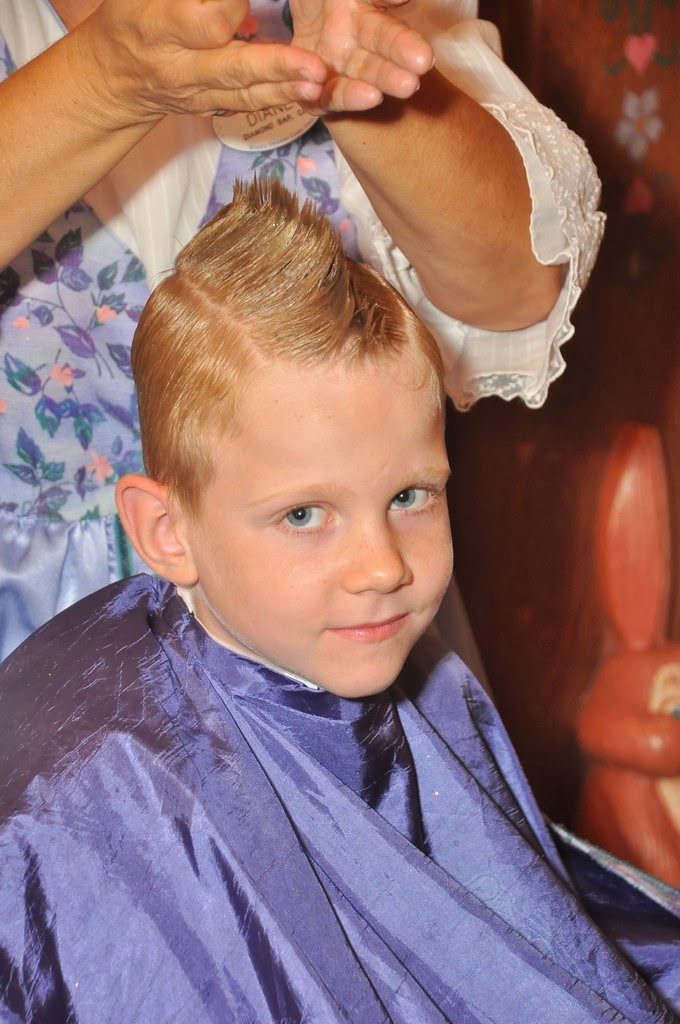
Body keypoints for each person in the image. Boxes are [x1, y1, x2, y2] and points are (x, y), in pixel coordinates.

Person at [0, 179, 677, 1024]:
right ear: (167, 532)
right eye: (304, 515)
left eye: (410, 496)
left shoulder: (429, 684)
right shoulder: (97, 793)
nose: (382, 567)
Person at [0, 0, 604, 661]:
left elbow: (518, 289)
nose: (385, 567)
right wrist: (103, 80)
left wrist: (360, 89)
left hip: (352, 639)